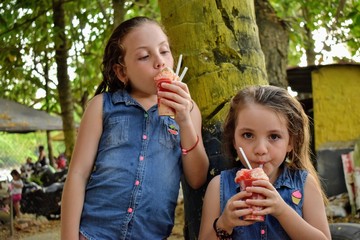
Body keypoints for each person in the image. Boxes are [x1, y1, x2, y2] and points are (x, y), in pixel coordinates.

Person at [61, 16, 209, 239]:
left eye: (164, 51)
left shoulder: (189, 110)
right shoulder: (102, 107)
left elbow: (197, 178)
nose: (160, 62)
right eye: (144, 56)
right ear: (122, 72)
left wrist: (185, 121)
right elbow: (78, 174)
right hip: (94, 234)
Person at [198, 85, 331, 240]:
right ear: (234, 139)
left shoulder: (304, 184)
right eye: (248, 135)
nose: (260, 149)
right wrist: (224, 224)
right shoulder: (219, 186)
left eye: (274, 136)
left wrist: (282, 211)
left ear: (291, 142)